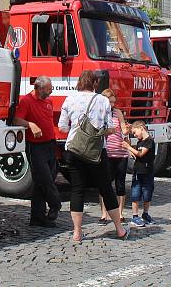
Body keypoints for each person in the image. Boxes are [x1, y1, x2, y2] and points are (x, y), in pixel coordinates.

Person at [58, 70, 128, 242]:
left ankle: (77, 232)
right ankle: (119, 230)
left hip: (74, 149)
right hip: (96, 151)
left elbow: (62, 128)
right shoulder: (102, 101)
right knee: (105, 188)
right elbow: (109, 128)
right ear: (95, 83)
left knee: (77, 189)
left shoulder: (69, 99)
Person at [12, 75, 61, 228]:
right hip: (35, 146)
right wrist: (30, 124)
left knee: (43, 182)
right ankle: (56, 204)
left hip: (50, 144)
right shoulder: (27, 101)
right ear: (39, 88)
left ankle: (38, 218)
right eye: (48, 89)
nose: (50, 92)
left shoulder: (48, 101)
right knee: (45, 179)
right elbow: (16, 120)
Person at [100, 88, 129, 224]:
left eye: (113, 102)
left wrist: (126, 131)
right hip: (107, 152)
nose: (112, 105)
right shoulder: (100, 113)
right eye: (110, 102)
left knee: (120, 184)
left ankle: (120, 213)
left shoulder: (118, 113)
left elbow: (123, 129)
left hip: (121, 153)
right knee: (105, 184)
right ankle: (104, 214)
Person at [122, 121, 155, 227]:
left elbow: (140, 154)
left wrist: (128, 147)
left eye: (135, 132)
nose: (135, 135)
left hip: (147, 172)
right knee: (135, 194)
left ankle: (145, 214)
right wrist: (129, 148)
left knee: (147, 194)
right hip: (138, 171)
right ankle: (135, 216)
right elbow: (136, 155)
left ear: (141, 128)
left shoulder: (149, 141)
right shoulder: (140, 141)